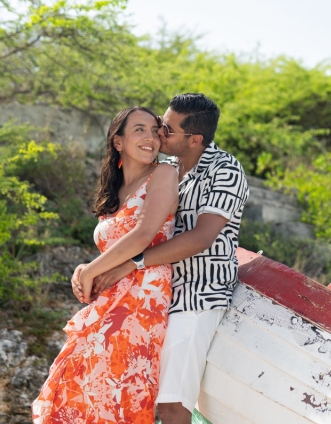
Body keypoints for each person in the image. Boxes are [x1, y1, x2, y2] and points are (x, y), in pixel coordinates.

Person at [74, 93, 250, 424]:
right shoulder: (165, 168)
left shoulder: (225, 169)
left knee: (170, 405)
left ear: (195, 139)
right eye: (158, 127)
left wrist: (133, 262)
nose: (158, 135)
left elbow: (201, 238)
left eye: (166, 129)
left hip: (195, 296)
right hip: (152, 297)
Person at [32, 106, 179, 423]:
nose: (150, 137)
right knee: (78, 381)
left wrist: (91, 270)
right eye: (139, 129)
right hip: (110, 295)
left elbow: (142, 235)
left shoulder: (164, 173)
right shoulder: (115, 191)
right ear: (118, 141)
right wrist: (85, 268)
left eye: (155, 130)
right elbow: (113, 247)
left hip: (143, 295)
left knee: (112, 387)